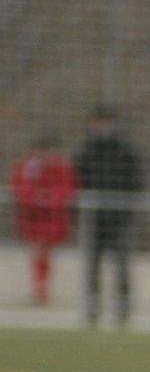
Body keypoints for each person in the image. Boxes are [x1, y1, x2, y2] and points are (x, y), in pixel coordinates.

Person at [77, 105, 143, 326]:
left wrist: (126, 208)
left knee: (122, 264)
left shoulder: (125, 150)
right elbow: (78, 179)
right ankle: (92, 306)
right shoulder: (86, 150)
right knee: (92, 264)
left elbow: (136, 181)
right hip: (95, 218)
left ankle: (123, 306)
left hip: (119, 218)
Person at [13, 133, 74, 307]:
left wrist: (49, 199)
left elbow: (67, 189)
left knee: (46, 252)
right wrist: (36, 199)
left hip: (52, 218)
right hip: (34, 217)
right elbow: (21, 188)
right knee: (38, 251)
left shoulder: (62, 167)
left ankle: (43, 288)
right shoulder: (28, 167)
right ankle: (39, 288)